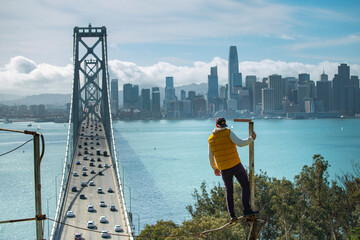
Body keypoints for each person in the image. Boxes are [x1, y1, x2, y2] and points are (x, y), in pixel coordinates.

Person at [208, 117, 259, 222]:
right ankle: (246, 210)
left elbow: (210, 156)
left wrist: (215, 168)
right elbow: (240, 143)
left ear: (216, 125)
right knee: (245, 185)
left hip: (224, 168)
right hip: (235, 165)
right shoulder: (229, 133)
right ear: (224, 125)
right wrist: (251, 138)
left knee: (229, 191)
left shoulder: (211, 139)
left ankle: (232, 215)